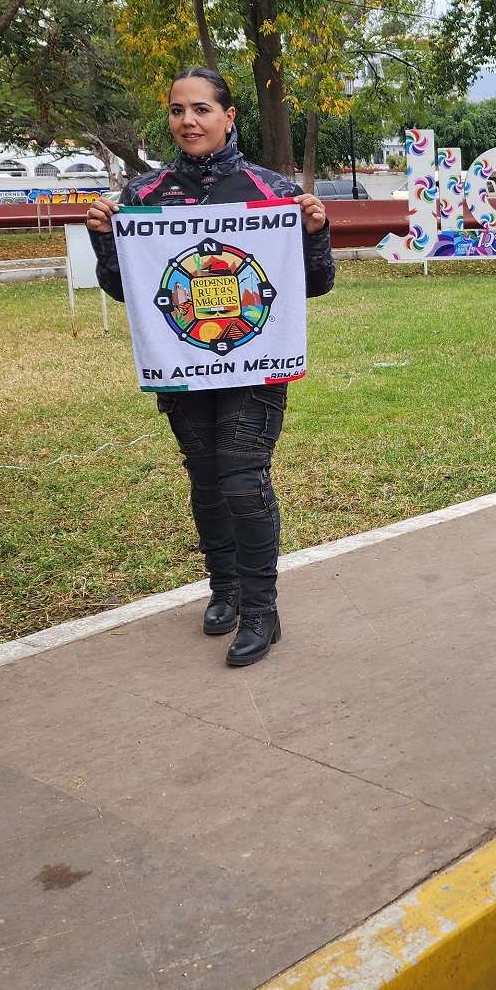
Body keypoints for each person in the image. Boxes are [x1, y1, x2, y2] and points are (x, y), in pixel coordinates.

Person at [86, 69, 334, 667]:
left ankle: (261, 609)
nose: (187, 121)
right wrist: (104, 241)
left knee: (244, 482)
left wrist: (316, 233)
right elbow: (127, 290)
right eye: (176, 111)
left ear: (229, 117)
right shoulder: (143, 197)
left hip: (254, 365)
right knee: (205, 479)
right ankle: (223, 590)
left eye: (200, 109)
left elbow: (318, 283)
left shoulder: (272, 191)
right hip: (183, 365)